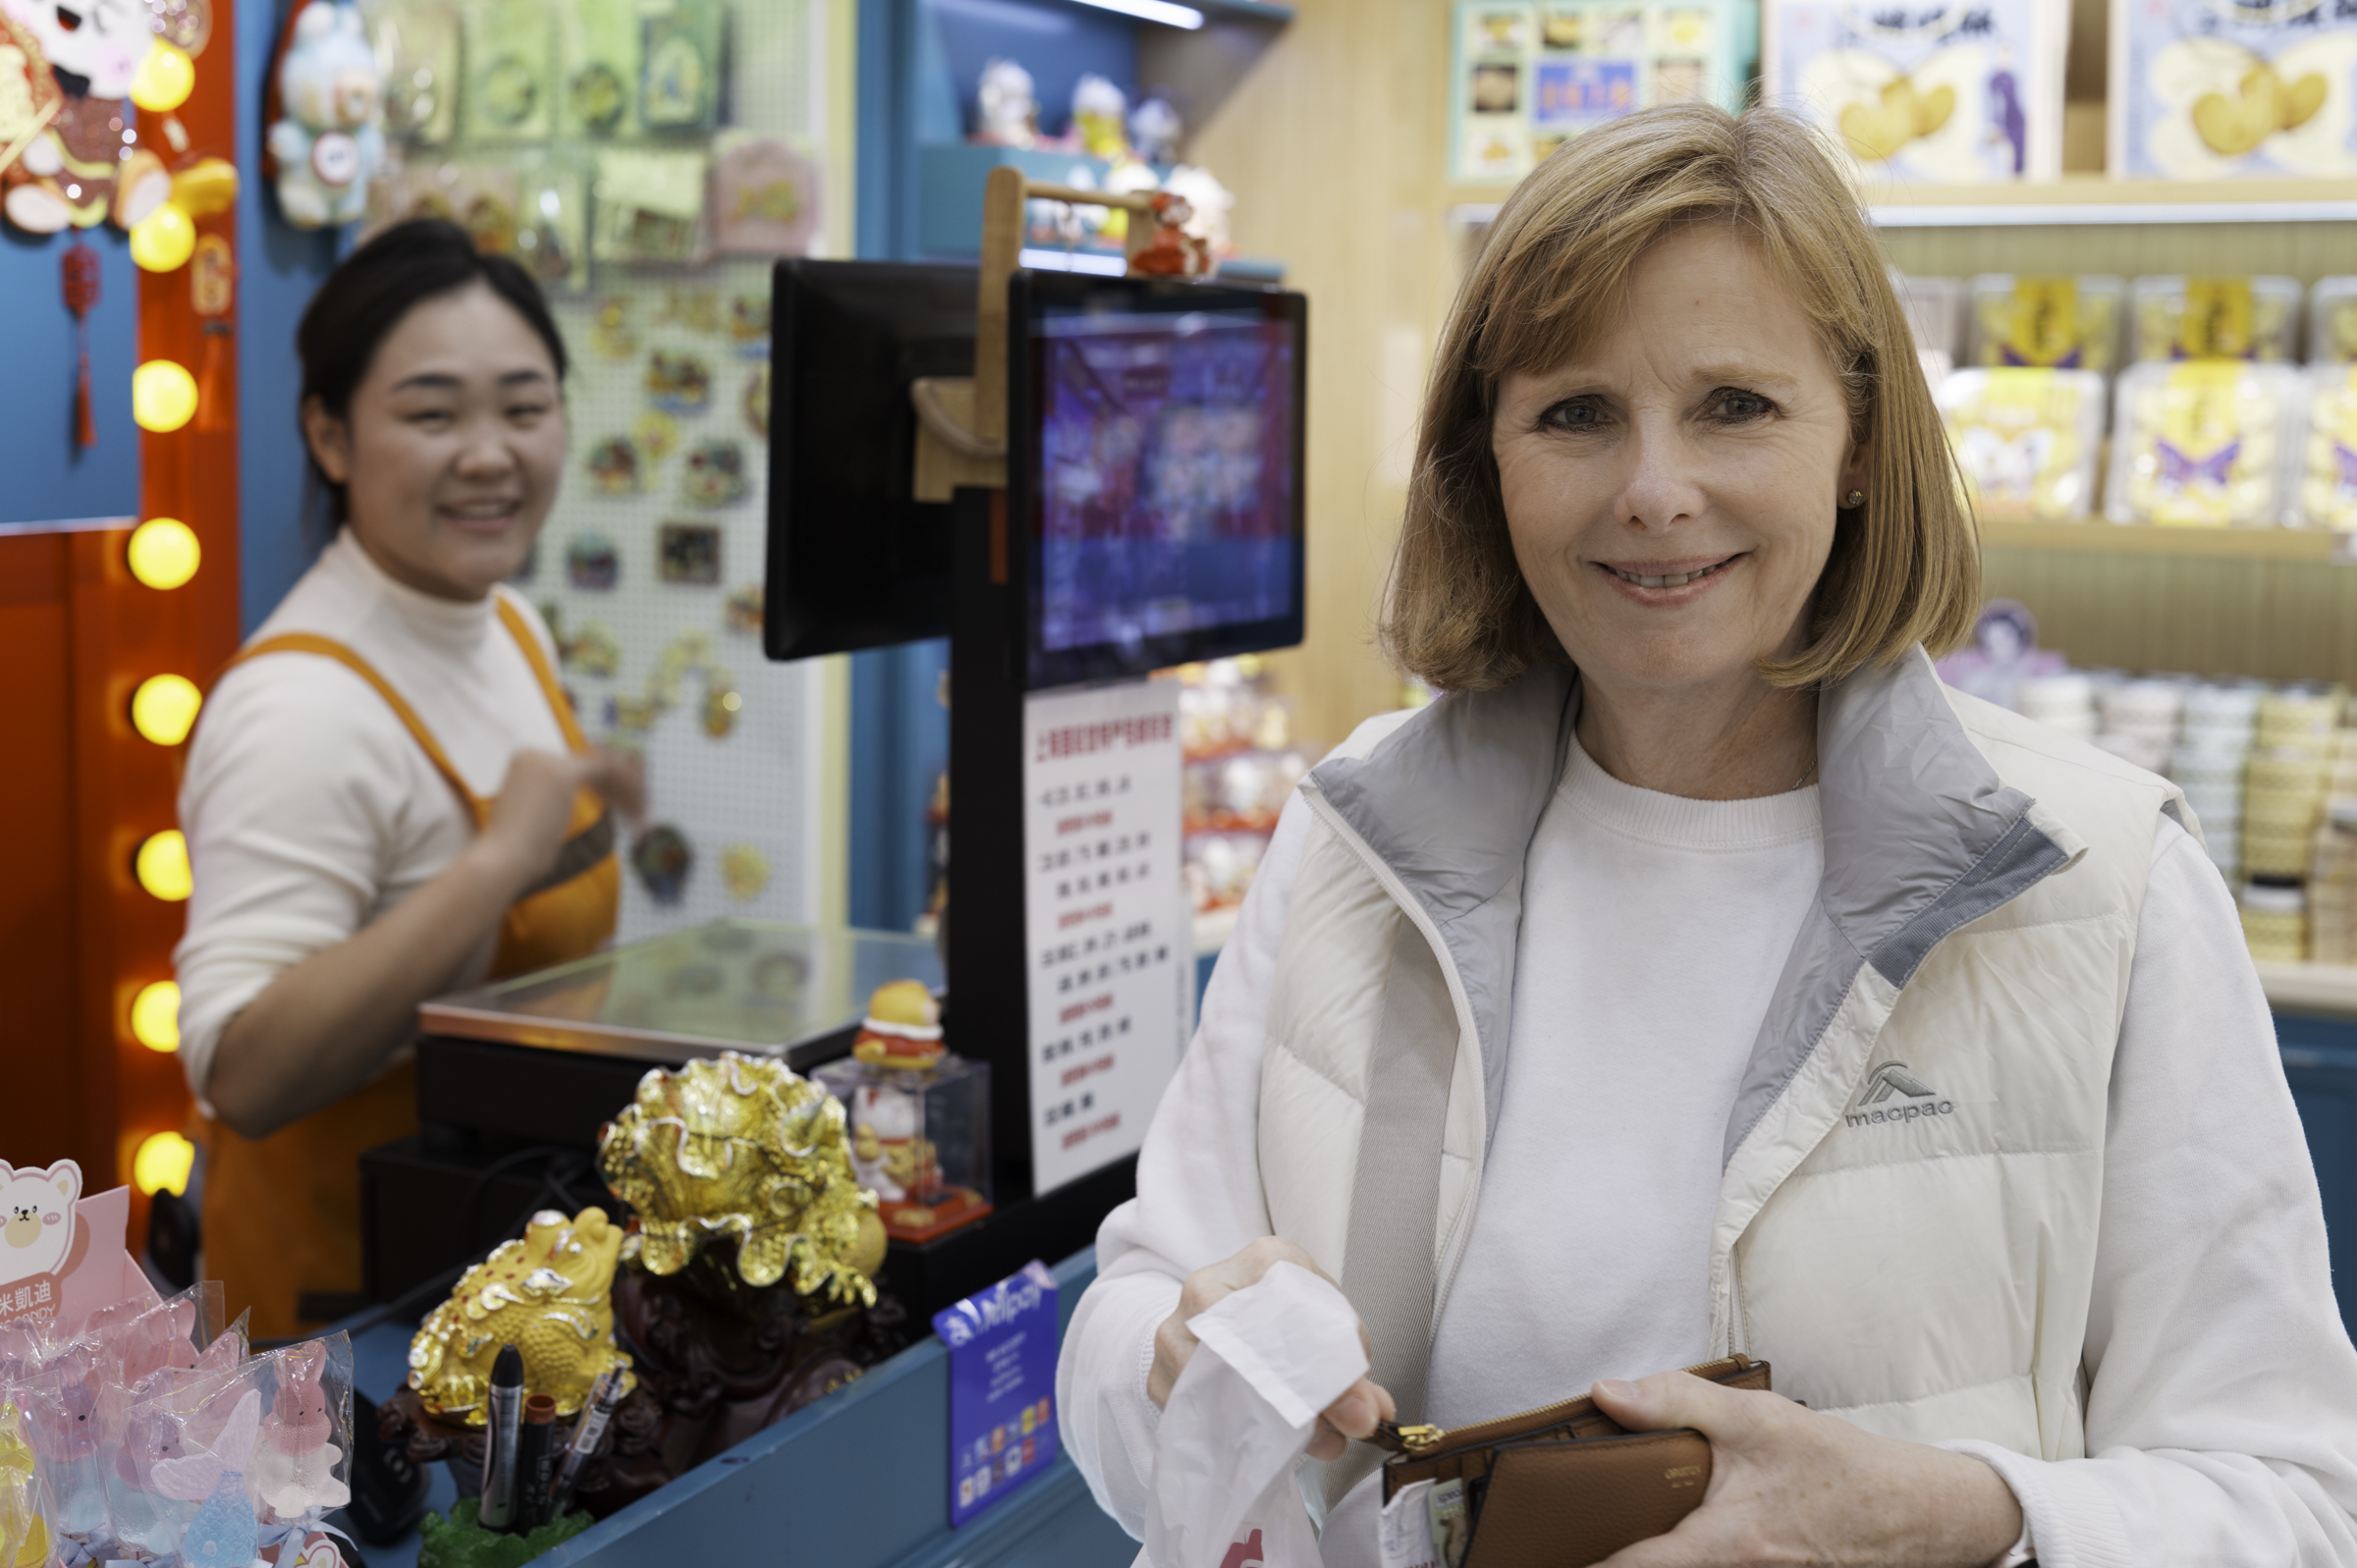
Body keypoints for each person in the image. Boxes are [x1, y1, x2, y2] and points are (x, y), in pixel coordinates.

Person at [1058, 103, 2357, 1567]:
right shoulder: (1363, 838)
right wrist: (1173, 1363)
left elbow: (2297, 1503)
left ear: (1858, 442)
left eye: (1736, 404)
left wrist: (1951, 1521)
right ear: (1488, 459)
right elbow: (1133, 1329)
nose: (1654, 492)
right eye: (1575, 413)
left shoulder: (2097, 882)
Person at [175, 220, 642, 1338]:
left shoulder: (510, 624)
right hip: (340, 1333)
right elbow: (240, 1068)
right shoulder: (298, 705)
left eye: (525, 409)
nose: (490, 454)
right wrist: (495, 864)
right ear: (330, 436)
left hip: (496, 1280)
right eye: (432, 414)